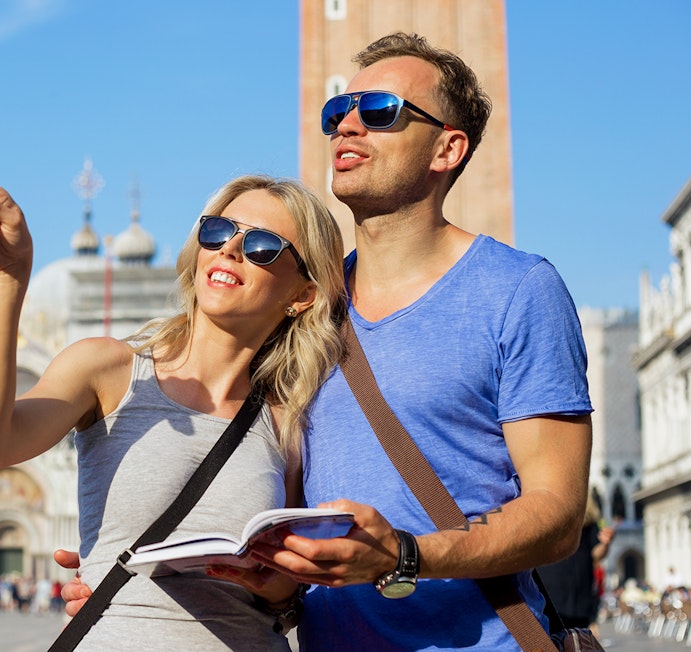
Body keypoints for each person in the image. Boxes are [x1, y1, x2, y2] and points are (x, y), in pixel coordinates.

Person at [60, 32, 594, 651]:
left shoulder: (519, 290)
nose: (347, 127)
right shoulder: (297, 301)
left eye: (379, 113)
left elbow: (557, 513)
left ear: (447, 148)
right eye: (338, 112)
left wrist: (406, 556)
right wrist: (149, 574)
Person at [0, 157, 346, 649]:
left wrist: (280, 586)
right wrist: (7, 277)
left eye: (263, 246)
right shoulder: (108, 370)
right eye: (218, 231)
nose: (231, 249)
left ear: (303, 294)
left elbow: (290, 589)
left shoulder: (291, 418)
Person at [537, 497, 614, 632]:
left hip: (578, 595)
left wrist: (606, 543)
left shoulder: (587, 522)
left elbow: (597, 554)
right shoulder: (542, 512)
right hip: (548, 591)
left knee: (575, 639)